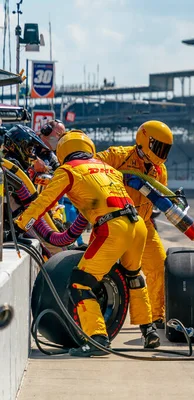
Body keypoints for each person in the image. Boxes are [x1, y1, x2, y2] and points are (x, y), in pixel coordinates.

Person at [15, 130, 160, 356]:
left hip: (113, 228)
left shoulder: (68, 170)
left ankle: (97, 340)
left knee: (81, 283)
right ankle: (149, 332)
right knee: (133, 277)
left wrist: (22, 223)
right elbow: (94, 205)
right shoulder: (109, 170)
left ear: (63, 152)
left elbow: (44, 201)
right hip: (136, 225)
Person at [95, 120, 173, 327]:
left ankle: (156, 317)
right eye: (159, 147)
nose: (162, 152)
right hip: (113, 223)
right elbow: (88, 168)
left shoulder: (160, 170)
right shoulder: (117, 156)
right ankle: (100, 316)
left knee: (158, 267)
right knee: (98, 270)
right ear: (145, 140)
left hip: (143, 225)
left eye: (165, 148)